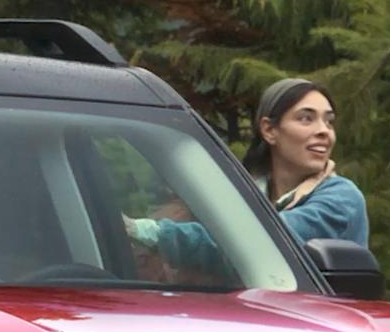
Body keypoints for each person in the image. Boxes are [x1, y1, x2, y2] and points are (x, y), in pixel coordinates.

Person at [127, 77, 369, 272]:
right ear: (269, 130)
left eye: (329, 122)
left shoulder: (342, 199)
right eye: (306, 119)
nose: (324, 132)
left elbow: (261, 239)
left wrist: (148, 231)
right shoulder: (246, 192)